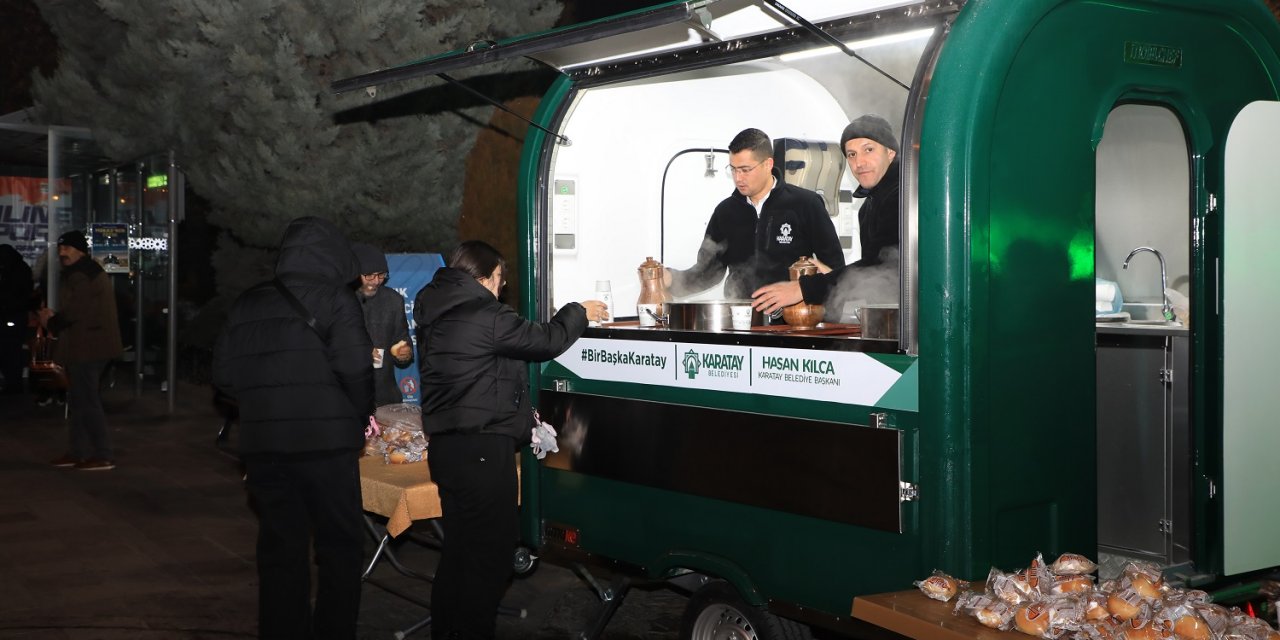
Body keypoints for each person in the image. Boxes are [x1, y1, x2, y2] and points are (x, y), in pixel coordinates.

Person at [413, 240, 606, 640]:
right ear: (482, 277)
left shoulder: (434, 310)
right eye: (499, 280)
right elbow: (546, 340)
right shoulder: (485, 315)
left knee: (460, 554)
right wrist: (579, 311)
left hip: (447, 448)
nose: (502, 288)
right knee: (491, 557)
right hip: (482, 451)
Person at [212, 216, 374, 639]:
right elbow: (356, 371)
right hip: (327, 446)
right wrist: (358, 418)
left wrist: (264, 402)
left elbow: (224, 377)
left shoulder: (246, 303)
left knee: (281, 550)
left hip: (265, 447)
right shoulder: (338, 300)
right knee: (339, 549)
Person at [668, 127, 845, 299]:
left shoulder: (806, 204)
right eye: (733, 169)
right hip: (740, 318)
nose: (738, 178)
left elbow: (835, 271)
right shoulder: (726, 212)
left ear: (768, 164)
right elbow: (707, 273)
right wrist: (670, 279)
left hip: (792, 322)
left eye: (745, 170)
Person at [753, 114, 902, 317]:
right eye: (851, 154)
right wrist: (830, 277)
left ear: (890, 152)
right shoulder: (867, 208)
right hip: (888, 320)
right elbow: (874, 278)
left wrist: (802, 289)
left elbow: (885, 265)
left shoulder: (903, 196)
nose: (859, 162)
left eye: (868, 150)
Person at [38, 231, 123, 470]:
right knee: (78, 401)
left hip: (90, 347)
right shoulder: (83, 271)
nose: (62, 253)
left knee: (86, 401)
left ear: (80, 251)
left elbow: (77, 310)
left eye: (67, 249)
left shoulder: (82, 274)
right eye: (60, 249)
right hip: (87, 345)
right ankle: (78, 451)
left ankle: (103, 454)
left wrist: (51, 321)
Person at [351, 242, 412, 407]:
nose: (376, 281)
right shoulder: (342, 301)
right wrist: (358, 352)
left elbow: (402, 337)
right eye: (369, 275)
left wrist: (404, 351)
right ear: (355, 273)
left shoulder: (393, 300)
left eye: (381, 275)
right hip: (349, 395)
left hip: (385, 396)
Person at [0, 244, 34, 394]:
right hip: (15, 316)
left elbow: (17, 295)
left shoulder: (13, 271)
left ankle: (13, 384)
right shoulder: (21, 268)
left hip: (12, 315)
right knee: (12, 351)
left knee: (10, 352)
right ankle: (13, 383)